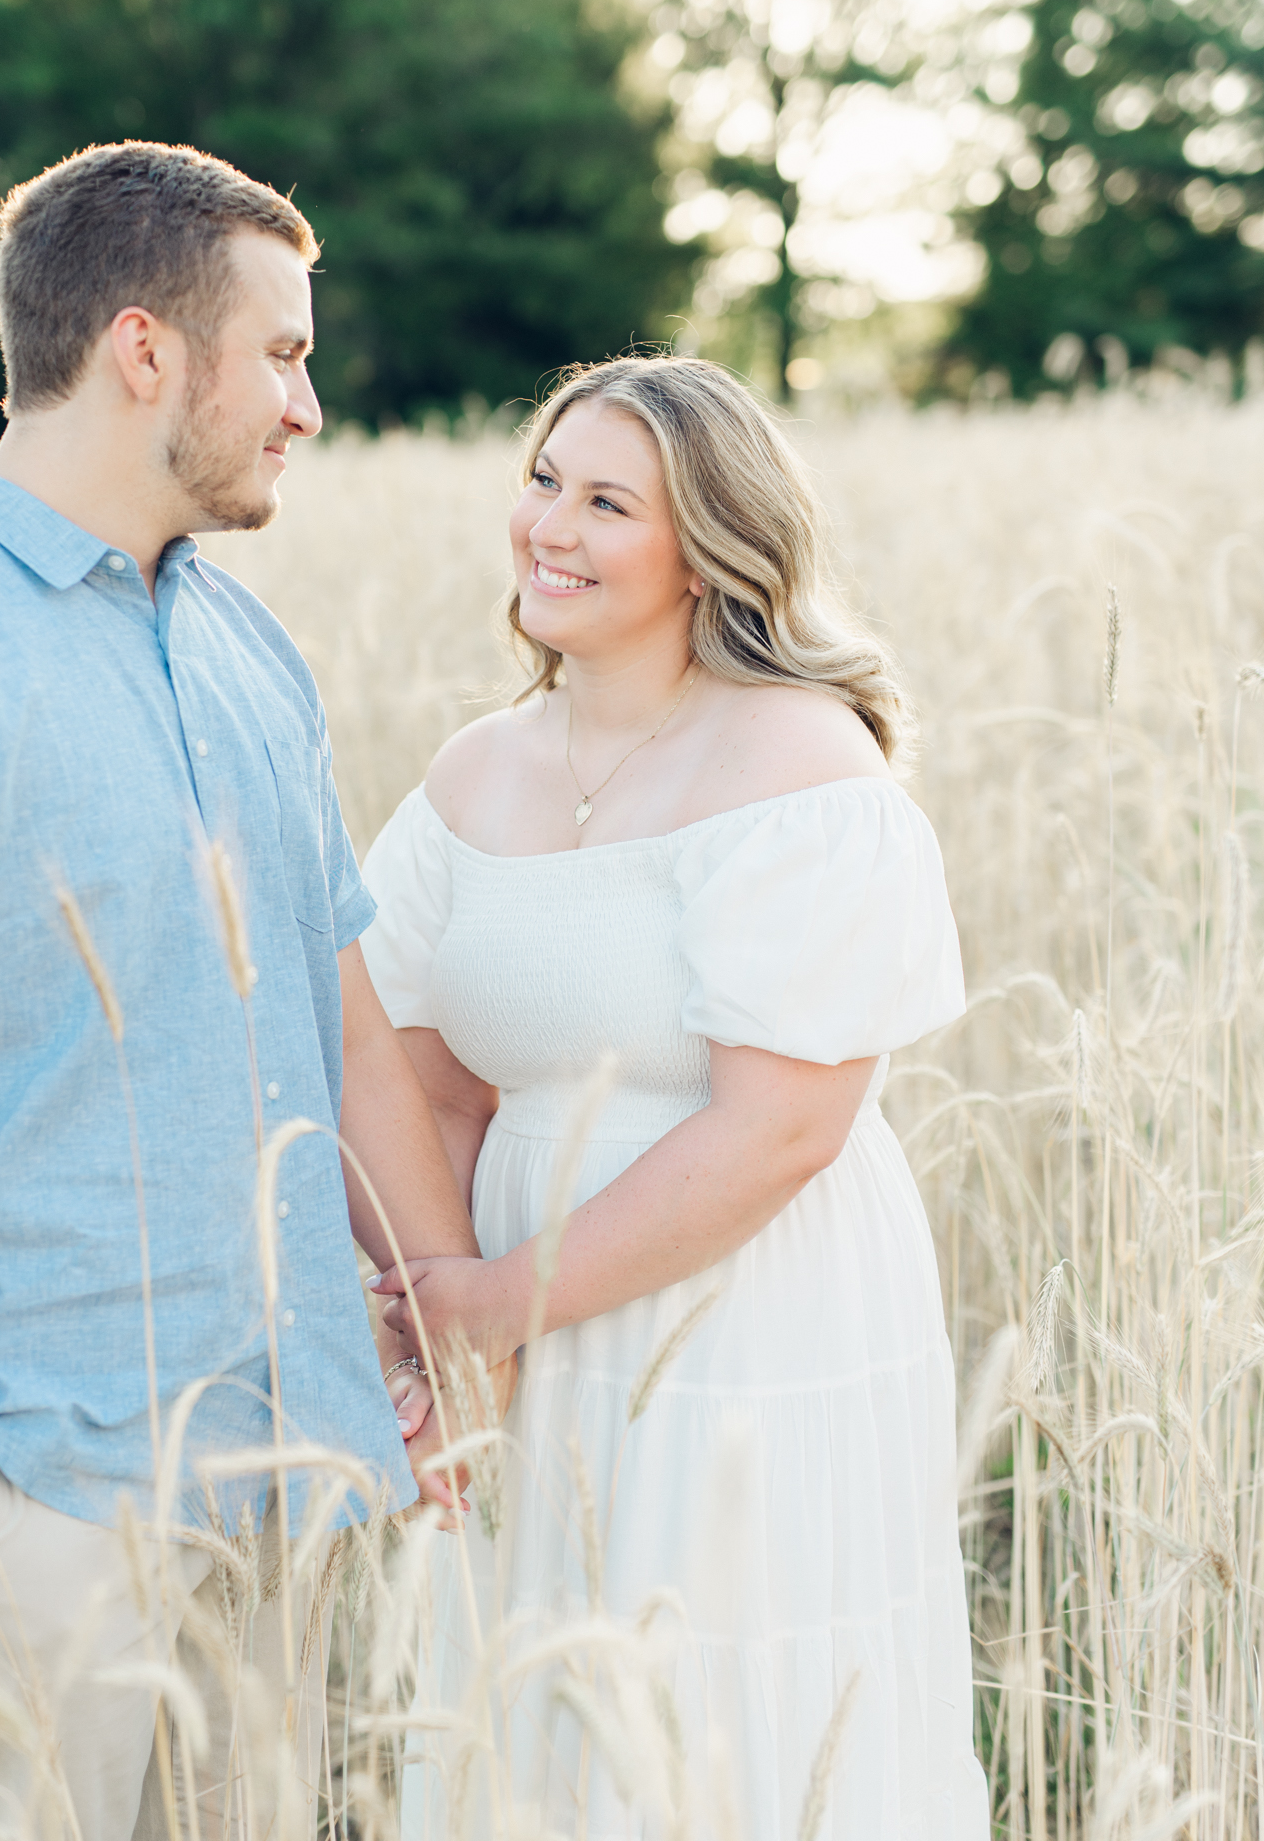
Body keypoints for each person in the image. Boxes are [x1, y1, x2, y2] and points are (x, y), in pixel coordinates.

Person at [0, 141, 485, 1840]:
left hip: (280, 1485)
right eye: (280, 352)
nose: (304, 403)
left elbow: (342, 1023)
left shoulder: (240, 645)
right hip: (38, 1507)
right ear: (145, 350)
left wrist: (440, 1334)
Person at [360, 355, 990, 1837]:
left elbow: (782, 1128)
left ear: (707, 549)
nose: (547, 527)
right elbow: (419, 1081)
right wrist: (440, 1323)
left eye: (603, 501)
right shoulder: (476, 773)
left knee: (731, 1695)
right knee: (530, 1705)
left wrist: (506, 1296)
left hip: (741, 1304)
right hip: (504, 1309)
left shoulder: (801, 767)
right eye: (539, 481)